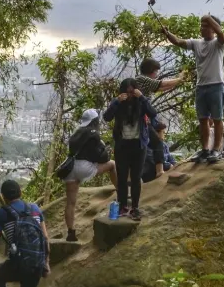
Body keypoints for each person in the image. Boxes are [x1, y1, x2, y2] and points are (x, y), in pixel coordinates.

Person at [162, 15, 224, 163]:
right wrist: (167, 33)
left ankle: (216, 150)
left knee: (217, 119)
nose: (202, 28)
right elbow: (178, 41)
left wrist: (208, 18)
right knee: (203, 119)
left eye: (206, 25)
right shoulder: (197, 43)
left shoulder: (219, 43)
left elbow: (221, 33)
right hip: (201, 87)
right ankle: (205, 150)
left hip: (216, 85)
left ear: (213, 28)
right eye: (201, 25)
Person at [103, 78, 160, 220]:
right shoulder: (118, 104)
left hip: (138, 145)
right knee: (122, 177)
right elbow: (107, 117)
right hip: (122, 145)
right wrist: (116, 101)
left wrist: (142, 97)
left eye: (131, 92)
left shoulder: (141, 103)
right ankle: (122, 206)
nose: (129, 95)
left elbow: (153, 113)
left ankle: (135, 207)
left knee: (136, 177)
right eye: (126, 92)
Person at [63, 109, 116, 242]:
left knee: (70, 202)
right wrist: (105, 149)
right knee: (112, 165)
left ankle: (70, 232)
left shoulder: (76, 133)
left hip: (70, 168)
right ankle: (120, 190)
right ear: (95, 120)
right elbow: (102, 158)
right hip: (84, 167)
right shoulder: (93, 133)